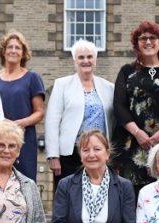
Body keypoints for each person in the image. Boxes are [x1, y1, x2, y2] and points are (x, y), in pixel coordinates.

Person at [111, 21, 159, 192]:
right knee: (133, 194)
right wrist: (138, 133)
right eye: (142, 38)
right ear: (136, 44)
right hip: (133, 145)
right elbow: (119, 106)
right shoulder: (126, 71)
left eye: (152, 37)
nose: (148, 42)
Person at [45, 40, 115, 192]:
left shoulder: (109, 87)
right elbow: (52, 121)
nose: (86, 61)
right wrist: (53, 156)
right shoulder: (61, 85)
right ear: (74, 61)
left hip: (99, 153)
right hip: (70, 153)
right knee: (69, 195)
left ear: (95, 60)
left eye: (89, 57)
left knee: (98, 193)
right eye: (81, 57)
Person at [0, 31, 46, 181]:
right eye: (10, 47)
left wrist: (19, 124)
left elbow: (39, 112)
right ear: (3, 51)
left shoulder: (32, 78)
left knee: (24, 181)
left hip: (24, 140)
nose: (13, 50)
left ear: (23, 53)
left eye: (18, 48)